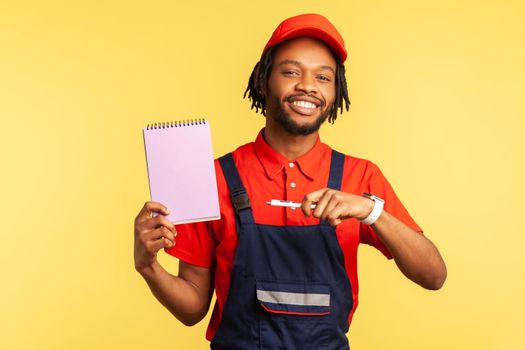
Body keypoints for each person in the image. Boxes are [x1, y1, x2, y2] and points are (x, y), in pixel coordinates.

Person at [133, 13, 447, 350]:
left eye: (323, 77)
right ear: (265, 79)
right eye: (291, 72)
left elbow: (433, 276)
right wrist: (148, 266)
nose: (308, 86)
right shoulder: (213, 178)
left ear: (335, 90)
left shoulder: (360, 177)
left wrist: (371, 211)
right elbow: (192, 307)